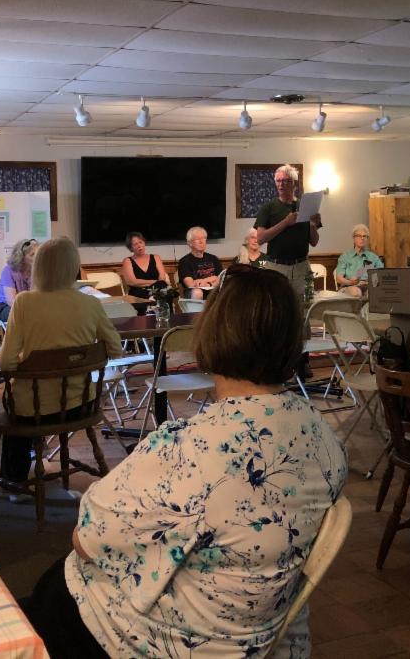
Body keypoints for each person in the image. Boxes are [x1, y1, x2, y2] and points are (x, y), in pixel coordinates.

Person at [20, 264, 348, 658]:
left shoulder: (189, 450)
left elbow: (87, 541)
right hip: (263, 632)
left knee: (46, 595)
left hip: (170, 640)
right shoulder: (323, 435)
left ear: (212, 333)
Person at [0, 236, 123, 485]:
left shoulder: (24, 303)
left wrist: (28, 361)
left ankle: (14, 482)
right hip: (81, 405)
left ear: (39, 267)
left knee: (15, 409)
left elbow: (5, 363)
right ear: (73, 267)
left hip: (34, 410)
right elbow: (115, 350)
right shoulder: (90, 304)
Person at [255, 164, 322, 304]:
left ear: (294, 183)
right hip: (276, 268)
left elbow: (314, 242)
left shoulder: (306, 206)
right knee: (277, 309)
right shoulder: (268, 207)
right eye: (278, 181)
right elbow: (260, 239)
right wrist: (286, 222)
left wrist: (312, 225)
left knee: (304, 309)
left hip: (301, 267)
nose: (281, 184)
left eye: (285, 181)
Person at [334, 223, 383, 297]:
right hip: (349, 286)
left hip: (368, 286)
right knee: (356, 292)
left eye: (365, 236)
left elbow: (380, 275)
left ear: (367, 239)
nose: (362, 238)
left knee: (374, 292)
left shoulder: (373, 257)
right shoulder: (345, 256)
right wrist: (351, 282)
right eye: (359, 236)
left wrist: (372, 282)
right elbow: (339, 279)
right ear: (354, 238)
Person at [0, 239, 38, 322]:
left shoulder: (37, 271)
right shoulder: (8, 270)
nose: (37, 258)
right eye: (32, 255)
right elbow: (11, 301)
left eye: (38, 254)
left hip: (27, 307)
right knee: (28, 315)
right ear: (21, 258)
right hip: (5, 306)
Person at [119, 231, 169, 298]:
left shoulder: (156, 257)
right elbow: (132, 282)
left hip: (157, 290)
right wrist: (154, 282)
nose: (139, 246)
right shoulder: (127, 261)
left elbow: (162, 278)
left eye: (140, 242)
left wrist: (155, 285)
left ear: (144, 243)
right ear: (131, 248)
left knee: (165, 292)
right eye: (135, 244)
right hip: (138, 293)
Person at [177, 226, 222, 300]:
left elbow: (220, 279)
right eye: (197, 239)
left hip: (213, 289)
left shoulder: (214, 258)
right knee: (197, 292)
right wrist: (212, 279)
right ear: (190, 243)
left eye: (203, 238)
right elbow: (190, 284)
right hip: (194, 292)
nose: (201, 242)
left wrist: (206, 282)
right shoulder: (184, 261)